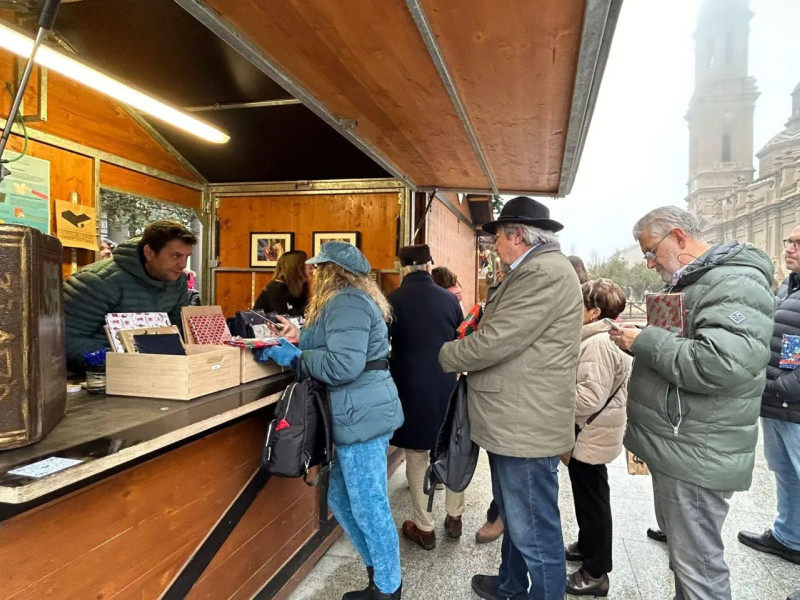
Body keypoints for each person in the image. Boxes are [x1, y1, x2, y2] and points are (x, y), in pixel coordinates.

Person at [610, 206, 774, 600]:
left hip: (698, 452)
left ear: (679, 237)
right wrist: (644, 341)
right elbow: (690, 346)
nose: (649, 263)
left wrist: (644, 341)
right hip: (683, 443)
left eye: (651, 252)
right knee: (688, 563)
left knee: (699, 569)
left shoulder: (734, 281)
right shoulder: (696, 281)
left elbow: (721, 364)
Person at [439, 196, 582, 600]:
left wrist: (447, 354)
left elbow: (496, 341)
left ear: (517, 235)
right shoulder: (534, 269)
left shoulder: (542, 274)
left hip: (524, 426)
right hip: (515, 421)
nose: (494, 246)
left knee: (535, 530)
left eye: (498, 237)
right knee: (517, 518)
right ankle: (511, 585)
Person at [271, 241, 404, 600]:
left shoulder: (345, 301)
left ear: (331, 271)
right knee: (347, 499)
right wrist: (300, 338)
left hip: (360, 415)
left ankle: (388, 588)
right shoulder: (347, 301)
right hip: (357, 412)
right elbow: (338, 345)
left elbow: (343, 365)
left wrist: (297, 358)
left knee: (367, 503)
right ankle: (379, 577)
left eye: (316, 268)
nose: (310, 273)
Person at [387, 245, 464, 550]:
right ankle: (455, 516)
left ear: (401, 268)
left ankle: (425, 528)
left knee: (417, 456)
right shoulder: (449, 299)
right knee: (449, 450)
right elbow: (461, 339)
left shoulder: (391, 301)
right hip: (445, 385)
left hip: (408, 387)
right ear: (429, 266)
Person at [563, 279, 632, 596]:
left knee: (594, 504)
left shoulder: (598, 345)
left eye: (579, 305)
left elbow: (589, 398)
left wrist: (552, 394)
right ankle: (588, 545)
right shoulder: (598, 339)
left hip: (591, 433)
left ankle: (596, 571)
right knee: (589, 497)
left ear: (593, 312)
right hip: (594, 432)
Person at [737, 226, 800, 566]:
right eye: (788, 240)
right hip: (777, 400)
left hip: (790, 399)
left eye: (798, 243)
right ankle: (789, 536)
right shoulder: (789, 287)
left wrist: (783, 385)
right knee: (785, 471)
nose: (789, 247)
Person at [64, 220, 197, 371]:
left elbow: (177, 329)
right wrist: (116, 361)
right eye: (175, 256)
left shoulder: (177, 281)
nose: (183, 265)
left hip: (156, 371)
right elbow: (65, 339)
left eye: (186, 256)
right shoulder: (98, 281)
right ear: (149, 253)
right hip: (98, 377)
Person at [253, 250, 311, 317]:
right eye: (307, 264)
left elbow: (304, 312)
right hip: (264, 325)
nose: (312, 267)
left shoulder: (302, 285)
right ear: (296, 267)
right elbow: (282, 316)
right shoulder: (276, 287)